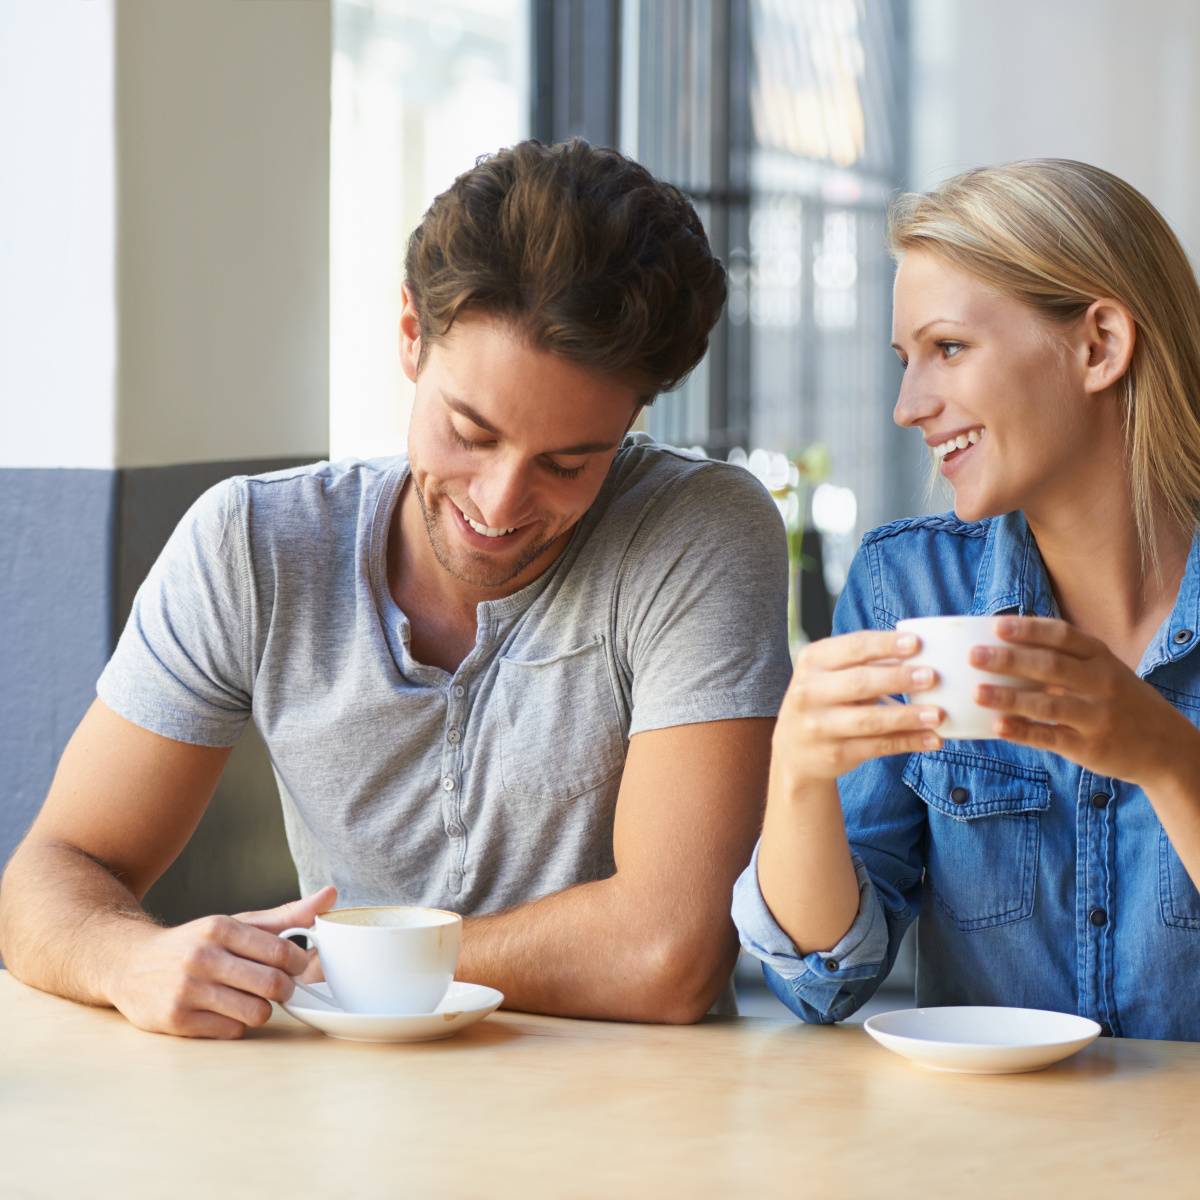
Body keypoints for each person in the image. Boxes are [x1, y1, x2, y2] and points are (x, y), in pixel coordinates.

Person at [0, 139, 790, 1038]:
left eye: (569, 464)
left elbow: (667, 957)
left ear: (634, 420)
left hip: (631, 1134)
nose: (500, 504)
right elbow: (53, 871)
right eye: (470, 431)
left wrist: (329, 966)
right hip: (346, 1124)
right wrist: (125, 957)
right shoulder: (254, 545)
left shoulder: (697, 531)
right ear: (411, 334)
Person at [733, 159, 1200, 1040]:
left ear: (1099, 344)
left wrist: (1167, 757)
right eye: (908, 361)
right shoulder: (906, 589)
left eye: (948, 349)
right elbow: (827, 982)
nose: (911, 405)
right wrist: (797, 775)